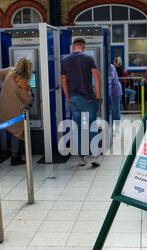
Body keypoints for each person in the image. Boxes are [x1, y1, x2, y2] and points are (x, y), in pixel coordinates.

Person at [61, 38, 102, 168]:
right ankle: (94, 156)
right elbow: (97, 77)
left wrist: (68, 97)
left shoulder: (65, 60)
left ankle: (82, 158)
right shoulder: (88, 58)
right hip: (88, 98)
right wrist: (98, 95)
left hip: (74, 99)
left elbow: (63, 81)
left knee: (78, 128)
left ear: (73, 47)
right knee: (91, 126)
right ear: (83, 46)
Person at [0, 58, 33, 166]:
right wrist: (31, 93)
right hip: (15, 109)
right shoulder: (23, 79)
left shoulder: (10, 71)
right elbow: (27, 98)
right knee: (17, 132)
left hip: (4, 106)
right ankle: (15, 157)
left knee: (15, 131)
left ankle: (16, 155)